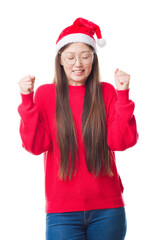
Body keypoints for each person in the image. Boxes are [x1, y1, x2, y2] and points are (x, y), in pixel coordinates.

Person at [18, 18, 138, 240]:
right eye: (70, 57)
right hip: (61, 214)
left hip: (108, 210)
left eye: (85, 56)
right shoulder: (45, 95)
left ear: (93, 59)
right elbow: (35, 146)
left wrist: (123, 95)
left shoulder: (107, 92)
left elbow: (121, 142)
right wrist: (27, 102)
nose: (78, 64)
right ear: (60, 60)